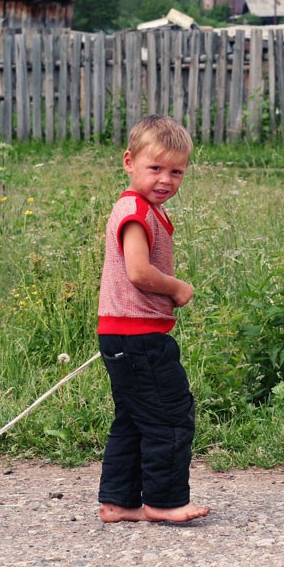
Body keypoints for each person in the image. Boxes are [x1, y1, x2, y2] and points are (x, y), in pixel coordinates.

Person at [96, 114, 210, 524]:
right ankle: (164, 501)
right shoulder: (134, 210)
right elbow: (139, 273)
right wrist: (177, 288)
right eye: (155, 168)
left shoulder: (144, 208)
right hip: (140, 335)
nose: (166, 179)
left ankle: (119, 502)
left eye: (176, 171)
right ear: (129, 162)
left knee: (133, 418)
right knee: (169, 415)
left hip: (121, 335)